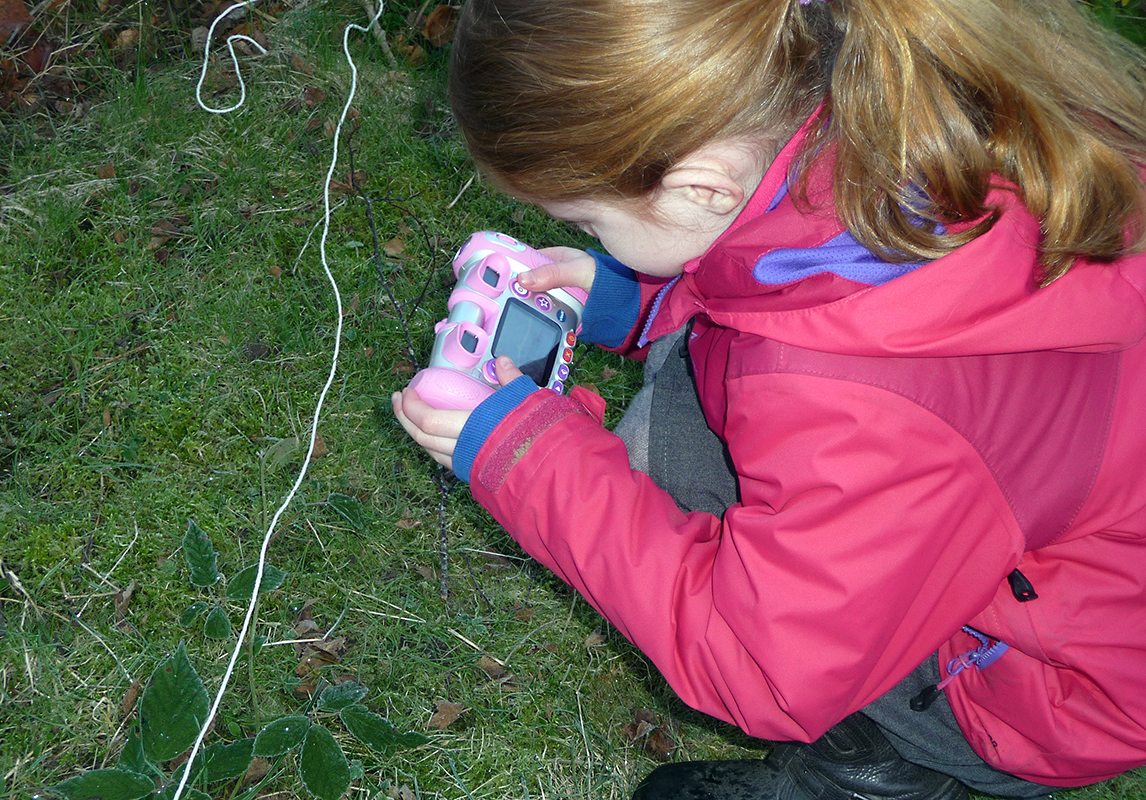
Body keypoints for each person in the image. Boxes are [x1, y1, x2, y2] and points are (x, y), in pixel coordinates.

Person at [392, 1, 1146, 798]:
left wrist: (531, 463)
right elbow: (788, 283)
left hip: (1046, 683)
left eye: (587, 219)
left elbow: (762, 666)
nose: (588, 234)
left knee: (682, 487)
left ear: (702, 185)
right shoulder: (888, 111)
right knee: (686, 410)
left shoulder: (863, 413)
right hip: (1052, 533)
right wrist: (634, 302)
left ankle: (881, 773)